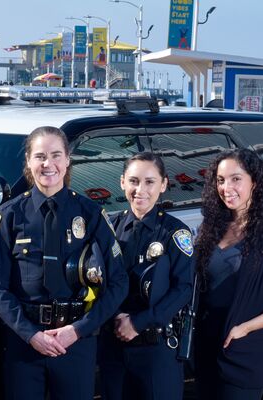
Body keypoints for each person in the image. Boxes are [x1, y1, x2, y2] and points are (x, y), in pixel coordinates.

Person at [0, 126, 127, 400]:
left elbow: (118, 283)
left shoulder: (91, 214)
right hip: (24, 342)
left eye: (56, 155)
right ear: (28, 161)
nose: (48, 164)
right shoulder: (10, 215)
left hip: (76, 342)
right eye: (40, 156)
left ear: (67, 160)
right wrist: (31, 335)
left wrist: (79, 330)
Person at [191, 149, 263, 400]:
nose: (226, 187)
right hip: (206, 351)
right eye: (220, 180)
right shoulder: (209, 229)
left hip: (244, 355)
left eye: (235, 179)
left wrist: (246, 328)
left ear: (254, 182)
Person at [98, 153, 195, 400]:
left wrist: (138, 323)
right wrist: (116, 316)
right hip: (115, 345)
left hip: (156, 347)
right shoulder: (111, 228)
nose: (140, 190)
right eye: (133, 181)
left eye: (150, 182)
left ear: (163, 185)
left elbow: (184, 289)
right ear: (122, 182)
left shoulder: (175, 232)